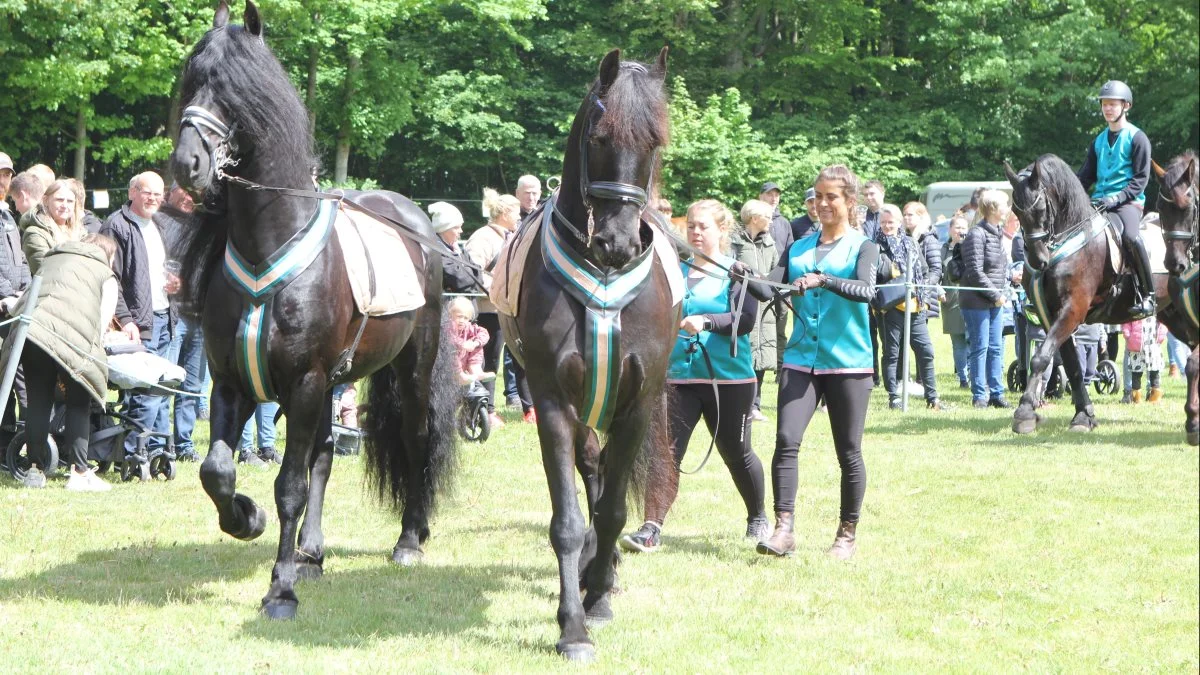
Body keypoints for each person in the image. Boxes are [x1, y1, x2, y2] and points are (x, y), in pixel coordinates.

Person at [620, 199, 765, 553]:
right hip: (678, 378)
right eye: (692, 226)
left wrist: (707, 322)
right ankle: (651, 527)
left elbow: (744, 321)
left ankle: (758, 517)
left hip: (728, 379)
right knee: (666, 453)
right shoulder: (674, 270)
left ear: (722, 230)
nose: (696, 233)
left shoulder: (737, 271)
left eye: (704, 227)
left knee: (737, 451)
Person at [757, 164, 879, 561]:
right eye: (818, 196)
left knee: (848, 451)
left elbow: (866, 291)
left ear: (849, 201)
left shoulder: (864, 246)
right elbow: (770, 287)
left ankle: (846, 534)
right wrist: (740, 275)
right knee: (786, 441)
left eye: (832, 197)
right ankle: (784, 529)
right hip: (799, 359)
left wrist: (824, 280)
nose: (822, 204)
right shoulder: (797, 248)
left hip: (849, 363)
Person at [13, 233, 119, 491]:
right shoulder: (104, 274)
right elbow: (101, 324)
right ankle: (80, 473)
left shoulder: (51, 261)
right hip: (75, 341)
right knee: (78, 404)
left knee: (38, 402)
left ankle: (35, 470)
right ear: (108, 256)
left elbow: (25, 300)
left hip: (34, 334)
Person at [100, 171, 176, 458]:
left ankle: (156, 449)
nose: (153, 198)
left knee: (162, 387)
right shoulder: (115, 226)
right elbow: (111, 279)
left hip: (166, 316)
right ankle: (132, 453)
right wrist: (126, 320)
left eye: (158, 194)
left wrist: (178, 285)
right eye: (147, 192)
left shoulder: (162, 225)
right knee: (144, 391)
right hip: (136, 323)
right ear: (132, 192)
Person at [1076, 80, 1155, 319]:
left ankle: (1148, 294)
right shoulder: (1098, 141)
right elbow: (1085, 176)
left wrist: (1117, 198)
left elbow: (1141, 180)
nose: (1107, 109)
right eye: (1104, 104)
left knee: (1131, 237)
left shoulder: (1138, 138)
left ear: (1126, 106)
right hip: (1098, 202)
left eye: (1112, 104)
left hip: (1128, 203)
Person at [875, 204, 943, 410]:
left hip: (916, 306)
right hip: (890, 308)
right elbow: (874, 278)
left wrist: (924, 291)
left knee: (926, 351)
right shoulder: (874, 246)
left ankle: (933, 398)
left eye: (891, 222)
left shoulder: (911, 243)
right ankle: (893, 396)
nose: (887, 226)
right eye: (884, 222)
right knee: (892, 353)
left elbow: (924, 270)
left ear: (899, 223)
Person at [465, 188, 523, 428]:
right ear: (506, 212)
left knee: (493, 362)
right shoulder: (484, 237)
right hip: (486, 309)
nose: (519, 217)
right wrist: (497, 289)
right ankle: (484, 410)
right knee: (484, 361)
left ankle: (487, 408)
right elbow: (471, 271)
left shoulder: (507, 236)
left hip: (501, 308)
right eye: (517, 212)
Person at [156, 185, 205, 463]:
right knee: (166, 382)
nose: (189, 198)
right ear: (169, 194)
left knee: (193, 386)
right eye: (183, 192)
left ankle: (184, 443)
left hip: (199, 315)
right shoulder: (158, 221)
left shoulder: (202, 223)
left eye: (193, 194)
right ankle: (162, 441)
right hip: (172, 314)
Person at [960, 189, 1011, 409]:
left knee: (996, 347)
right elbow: (974, 271)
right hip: (976, 300)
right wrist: (996, 294)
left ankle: (997, 394)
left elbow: (1000, 267)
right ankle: (980, 395)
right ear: (993, 208)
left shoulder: (998, 232)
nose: (1008, 209)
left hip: (995, 300)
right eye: (1005, 205)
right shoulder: (976, 234)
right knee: (980, 347)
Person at [732, 199, 779, 422]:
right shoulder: (735, 243)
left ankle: (755, 405)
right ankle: (740, 403)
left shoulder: (770, 244)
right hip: (743, 306)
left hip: (766, 309)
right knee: (745, 352)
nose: (771, 221)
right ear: (754, 218)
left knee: (762, 354)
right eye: (767, 217)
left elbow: (777, 273)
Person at [21, 179, 86, 275]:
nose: (65, 205)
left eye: (70, 201)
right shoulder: (34, 233)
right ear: (46, 200)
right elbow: (46, 271)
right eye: (59, 200)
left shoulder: (81, 232)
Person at [941, 216, 971, 388]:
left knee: (972, 340)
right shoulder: (943, 250)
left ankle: (974, 375)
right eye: (957, 227)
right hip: (951, 302)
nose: (960, 231)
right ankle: (963, 378)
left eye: (963, 227)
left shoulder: (971, 248)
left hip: (970, 299)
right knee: (958, 342)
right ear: (950, 230)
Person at [429, 201, 482, 296]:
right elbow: (459, 281)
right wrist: (470, 272)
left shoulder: (459, 249)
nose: (461, 231)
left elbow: (479, 275)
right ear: (443, 229)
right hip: (448, 307)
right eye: (456, 227)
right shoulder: (435, 250)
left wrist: (466, 271)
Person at [448, 296, 494, 384]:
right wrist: (463, 344)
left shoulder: (469, 327)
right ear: (451, 315)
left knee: (477, 345)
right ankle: (459, 375)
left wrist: (475, 343)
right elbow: (449, 338)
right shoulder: (448, 327)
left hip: (466, 359)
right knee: (452, 350)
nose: (462, 320)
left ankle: (476, 369)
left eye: (465, 318)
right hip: (451, 365)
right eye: (459, 317)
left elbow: (484, 333)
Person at [1121, 316, 1166, 403]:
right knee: (1136, 373)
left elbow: (1163, 321)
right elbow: (1126, 321)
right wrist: (1129, 336)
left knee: (1155, 371)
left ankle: (1154, 397)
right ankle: (1135, 397)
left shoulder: (1157, 306)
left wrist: (1161, 336)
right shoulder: (1133, 308)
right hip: (1136, 347)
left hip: (1153, 346)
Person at [758, 182, 794, 256]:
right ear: (760, 197)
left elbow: (791, 250)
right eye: (770, 195)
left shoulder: (785, 223)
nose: (774, 199)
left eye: (777, 195)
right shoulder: (754, 220)